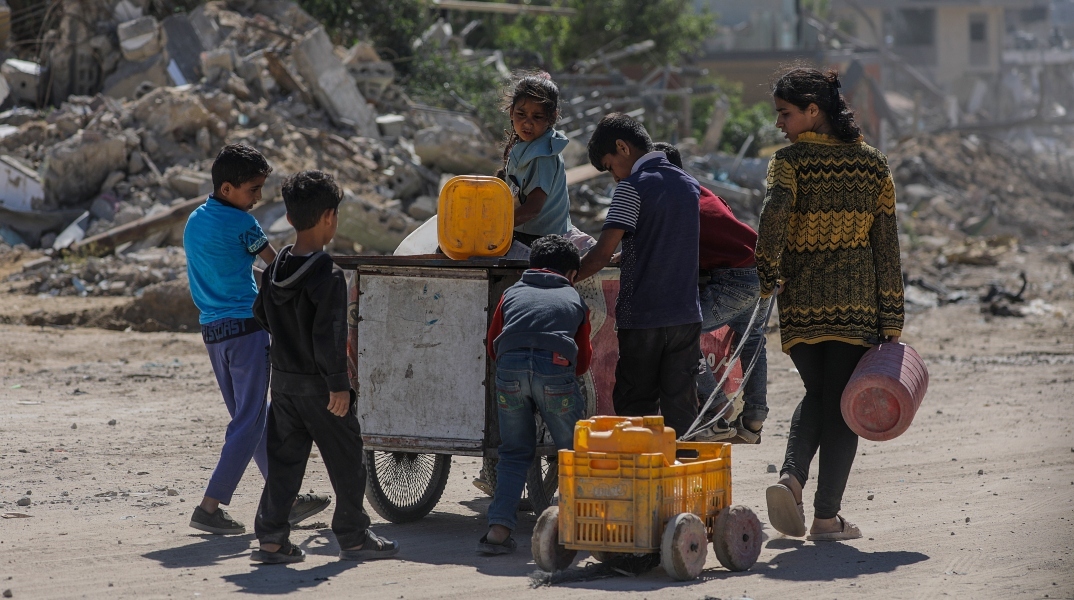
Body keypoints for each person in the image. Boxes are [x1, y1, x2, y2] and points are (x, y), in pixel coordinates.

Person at [757, 67, 904, 542]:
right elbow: (887, 246)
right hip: (857, 306)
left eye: (785, 113)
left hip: (800, 304)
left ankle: (791, 478)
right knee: (841, 406)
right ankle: (825, 518)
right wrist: (892, 317)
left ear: (813, 111)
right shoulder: (874, 165)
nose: (779, 123)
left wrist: (766, 277)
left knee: (818, 394)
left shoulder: (788, 163)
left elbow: (773, 219)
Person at [250, 170, 398, 564]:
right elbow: (330, 336)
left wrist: (288, 343)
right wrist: (338, 385)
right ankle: (352, 537)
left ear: (291, 215)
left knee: (284, 464)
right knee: (348, 457)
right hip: (321, 389)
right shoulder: (327, 275)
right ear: (329, 216)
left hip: (282, 386)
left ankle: (271, 540)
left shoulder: (276, 267)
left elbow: (261, 313)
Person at [184, 143, 329, 536]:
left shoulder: (195, 220)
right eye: (253, 190)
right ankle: (210, 506)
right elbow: (274, 264)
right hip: (246, 330)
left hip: (213, 333)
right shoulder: (242, 225)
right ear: (228, 188)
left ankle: (286, 497)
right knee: (250, 421)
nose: (257, 198)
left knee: (252, 419)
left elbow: (231, 274)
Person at [577, 114, 702, 438]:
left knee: (635, 410)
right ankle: (679, 480)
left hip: (644, 316)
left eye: (609, 166)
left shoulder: (631, 188)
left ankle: (641, 483)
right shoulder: (688, 184)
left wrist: (567, 276)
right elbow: (665, 240)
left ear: (622, 147)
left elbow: (601, 253)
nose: (613, 176)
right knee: (680, 411)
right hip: (686, 315)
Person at [478, 234, 591, 554]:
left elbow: (492, 345)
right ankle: (576, 526)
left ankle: (498, 531)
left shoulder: (512, 293)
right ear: (572, 275)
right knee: (573, 452)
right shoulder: (573, 299)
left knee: (514, 452)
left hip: (509, 374)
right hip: (555, 373)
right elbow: (582, 362)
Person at [652, 142, 769, 445]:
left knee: (682, 332)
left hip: (735, 279)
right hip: (761, 269)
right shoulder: (703, 193)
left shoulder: (676, 201)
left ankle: (716, 405)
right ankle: (754, 417)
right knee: (753, 340)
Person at [503, 73, 572, 246]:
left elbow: (533, 208)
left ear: (552, 117)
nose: (527, 123)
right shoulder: (526, 145)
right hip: (524, 230)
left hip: (539, 239)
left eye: (537, 117)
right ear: (512, 112)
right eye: (521, 114)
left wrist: (496, 225)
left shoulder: (543, 155)